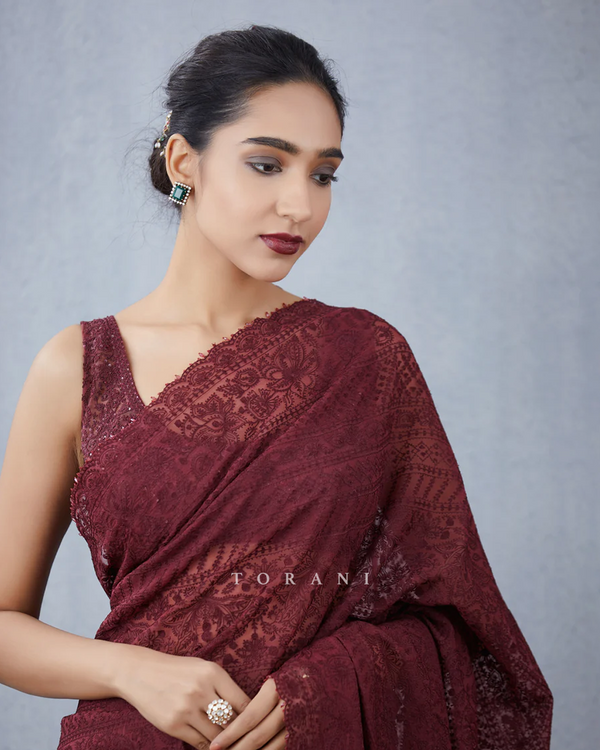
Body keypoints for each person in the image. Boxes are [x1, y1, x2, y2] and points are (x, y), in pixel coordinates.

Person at [0, 23, 553, 750]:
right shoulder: (78, 367)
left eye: (323, 175)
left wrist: (327, 690)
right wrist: (131, 671)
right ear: (184, 161)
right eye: (267, 165)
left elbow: (460, 624)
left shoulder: (366, 359)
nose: (300, 204)